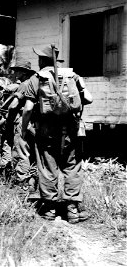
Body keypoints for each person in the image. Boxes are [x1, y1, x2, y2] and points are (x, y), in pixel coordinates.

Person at [18, 44, 93, 223]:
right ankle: (72, 210)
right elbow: (88, 99)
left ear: (42, 60)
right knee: (72, 168)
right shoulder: (72, 75)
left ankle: (50, 210)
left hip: (46, 132)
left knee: (47, 167)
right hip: (71, 132)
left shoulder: (36, 79)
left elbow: (28, 108)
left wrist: (23, 128)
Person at [5, 59, 38, 193]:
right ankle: (32, 181)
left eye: (17, 70)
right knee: (32, 153)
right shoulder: (34, 83)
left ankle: (22, 183)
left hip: (22, 121)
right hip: (34, 123)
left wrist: (8, 112)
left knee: (21, 153)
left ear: (24, 73)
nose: (15, 73)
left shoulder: (24, 84)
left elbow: (14, 106)